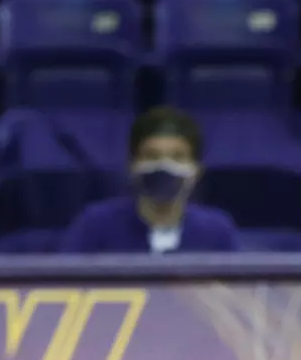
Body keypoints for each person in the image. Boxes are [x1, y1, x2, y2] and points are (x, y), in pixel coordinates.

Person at [61, 108, 240, 255]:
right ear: (132, 165)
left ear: (197, 171)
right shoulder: (94, 224)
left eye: (177, 157)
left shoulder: (217, 230)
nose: (164, 166)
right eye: (151, 156)